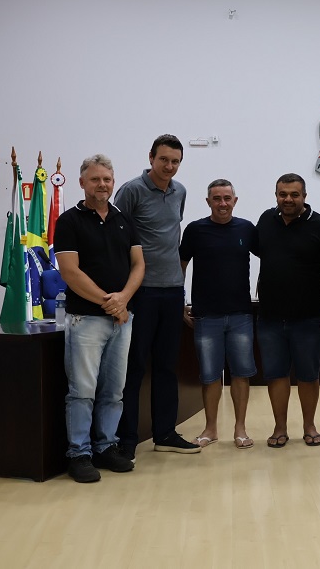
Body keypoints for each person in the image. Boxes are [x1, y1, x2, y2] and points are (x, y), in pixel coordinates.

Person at [55, 154, 144, 482]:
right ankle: (79, 454)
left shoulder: (124, 219)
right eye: (95, 179)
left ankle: (106, 447)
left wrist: (123, 300)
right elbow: (70, 272)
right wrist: (111, 303)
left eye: (107, 179)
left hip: (122, 320)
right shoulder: (69, 222)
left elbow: (139, 265)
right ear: (82, 183)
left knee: (113, 391)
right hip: (86, 320)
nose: (102, 185)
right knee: (82, 391)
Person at [115, 134, 200, 459]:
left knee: (167, 366)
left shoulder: (180, 192)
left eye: (175, 161)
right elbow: (117, 237)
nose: (169, 166)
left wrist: (182, 292)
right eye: (164, 159)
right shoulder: (131, 190)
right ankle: (126, 440)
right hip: (141, 293)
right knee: (135, 367)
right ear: (151, 157)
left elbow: (171, 239)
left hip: (172, 292)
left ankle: (165, 433)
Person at [180, 179, 258, 449]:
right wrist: (181, 302)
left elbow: (271, 259)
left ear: (235, 200)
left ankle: (240, 429)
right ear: (208, 202)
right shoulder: (195, 230)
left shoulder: (247, 229)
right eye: (217, 198)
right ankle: (210, 429)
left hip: (240, 315)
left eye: (227, 198)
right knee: (210, 376)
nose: (222, 203)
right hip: (206, 316)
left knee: (241, 374)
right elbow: (181, 264)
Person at [255, 173, 320, 449]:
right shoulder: (265, 220)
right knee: (275, 373)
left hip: (309, 317)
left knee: (309, 375)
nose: (288, 199)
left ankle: (309, 426)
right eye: (282, 194)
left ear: (304, 196)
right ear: (276, 195)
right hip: (270, 316)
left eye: (294, 194)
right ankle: (280, 427)